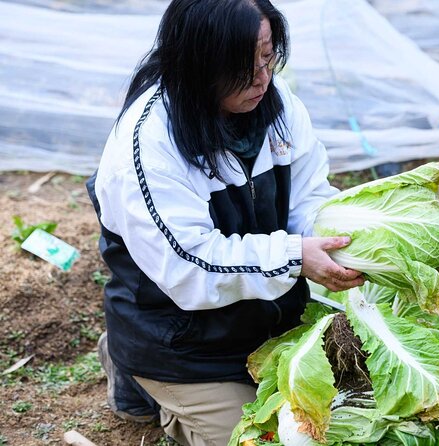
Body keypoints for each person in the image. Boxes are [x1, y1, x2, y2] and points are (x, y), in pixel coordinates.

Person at [85, 0, 365, 444]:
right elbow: (189, 267)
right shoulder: (148, 146)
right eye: (242, 62)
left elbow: (310, 194)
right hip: (182, 340)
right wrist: (293, 257)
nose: (262, 76)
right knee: (257, 438)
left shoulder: (277, 108)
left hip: (267, 318)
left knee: (349, 413)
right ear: (198, 61)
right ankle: (141, 374)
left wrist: (332, 243)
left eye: (268, 54)